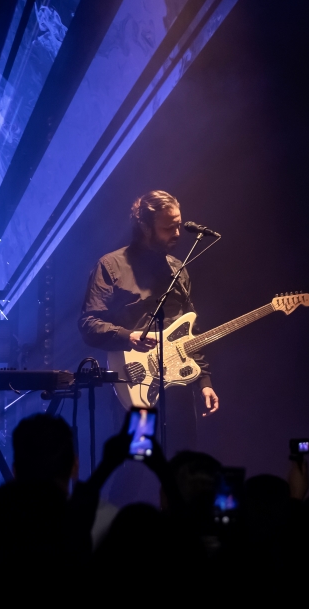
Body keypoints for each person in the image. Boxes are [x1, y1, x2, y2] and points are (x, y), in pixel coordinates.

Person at [79, 190, 219, 456]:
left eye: (178, 225)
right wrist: (127, 336)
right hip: (135, 384)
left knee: (184, 466)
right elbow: (88, 323)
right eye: (168, 228)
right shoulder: (111, 266)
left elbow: (192, 332)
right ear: (144, 226)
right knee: (136, 464)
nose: (177, 233)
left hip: (178, 386)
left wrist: (205, 382)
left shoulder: (178, 268)